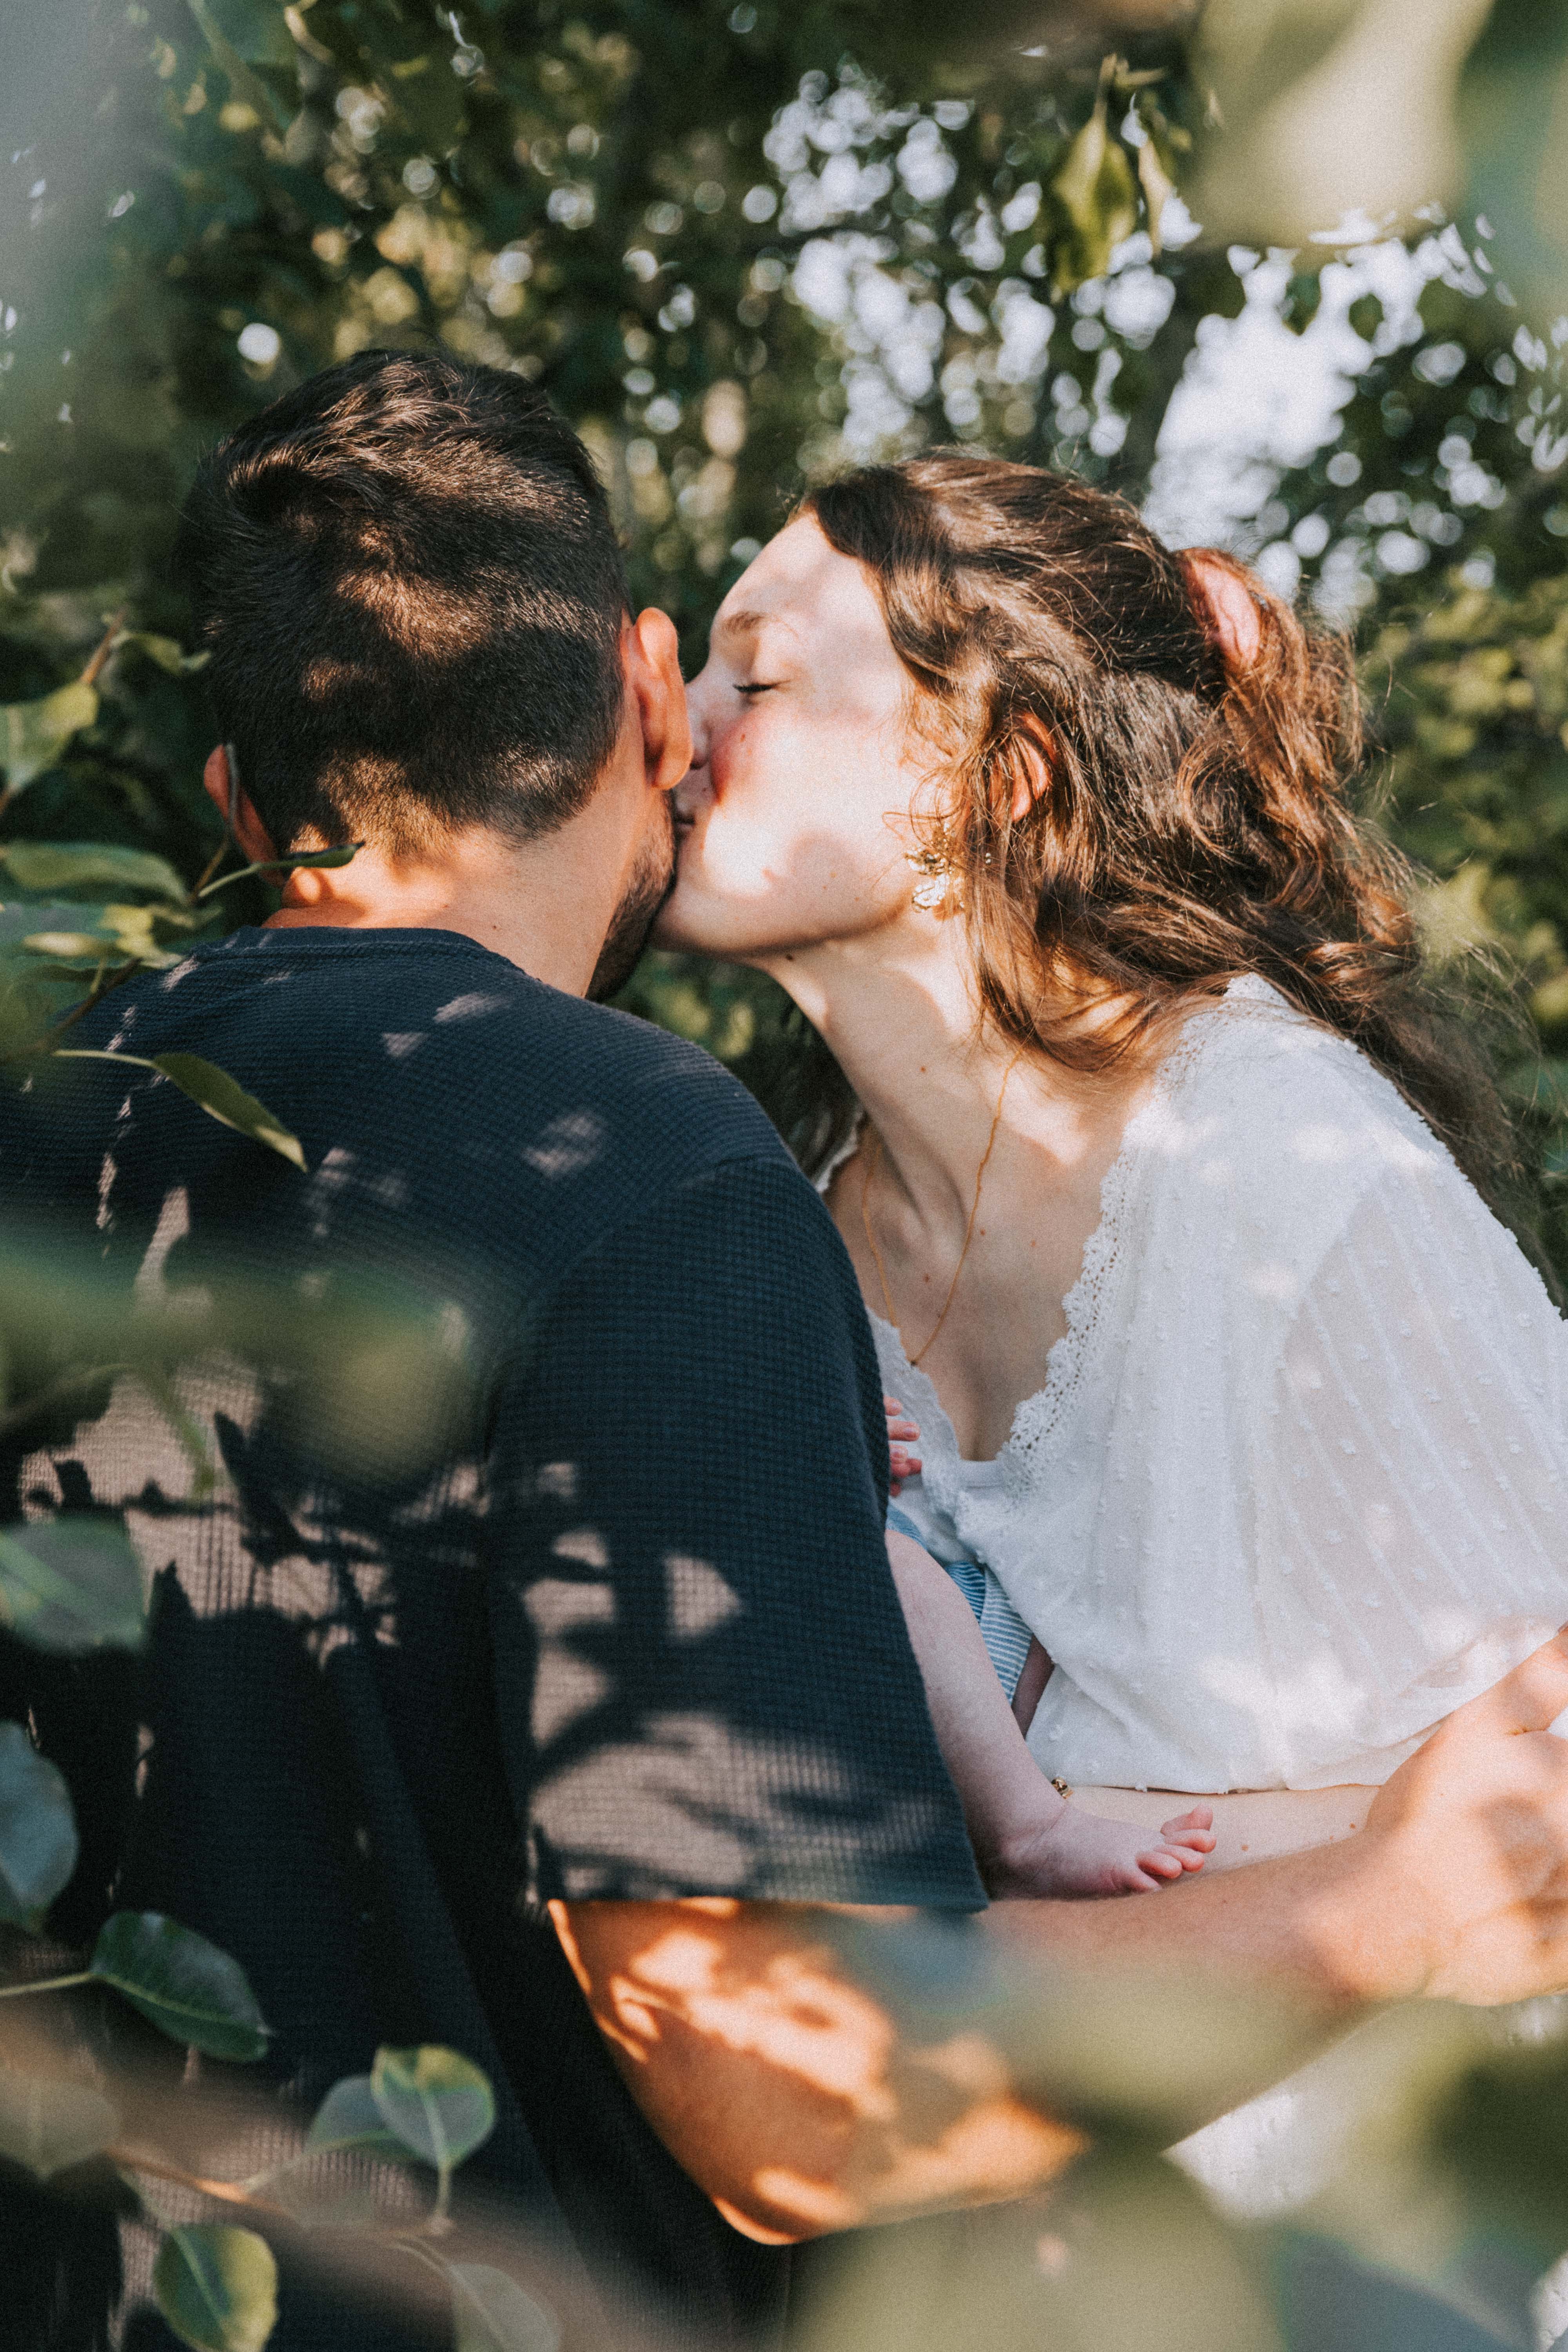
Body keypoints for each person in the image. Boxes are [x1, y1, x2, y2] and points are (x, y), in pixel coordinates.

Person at [6, 363, 1568, 2352]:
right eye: (706, 676)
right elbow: (779, 2057)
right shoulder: (730, 1206)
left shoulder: (1285, 1184)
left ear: (999, 774)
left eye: (772, 678)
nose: (704, 736)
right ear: (626, 684)